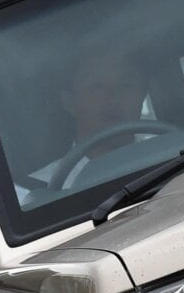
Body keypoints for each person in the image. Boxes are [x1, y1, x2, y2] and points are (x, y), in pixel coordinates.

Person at [24, 44, 154, 195]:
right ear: (70, 103)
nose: (113, 98)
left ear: (143, 94)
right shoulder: (42, 190)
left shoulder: (169, 156)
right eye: (96, 86)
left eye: (126, 85)